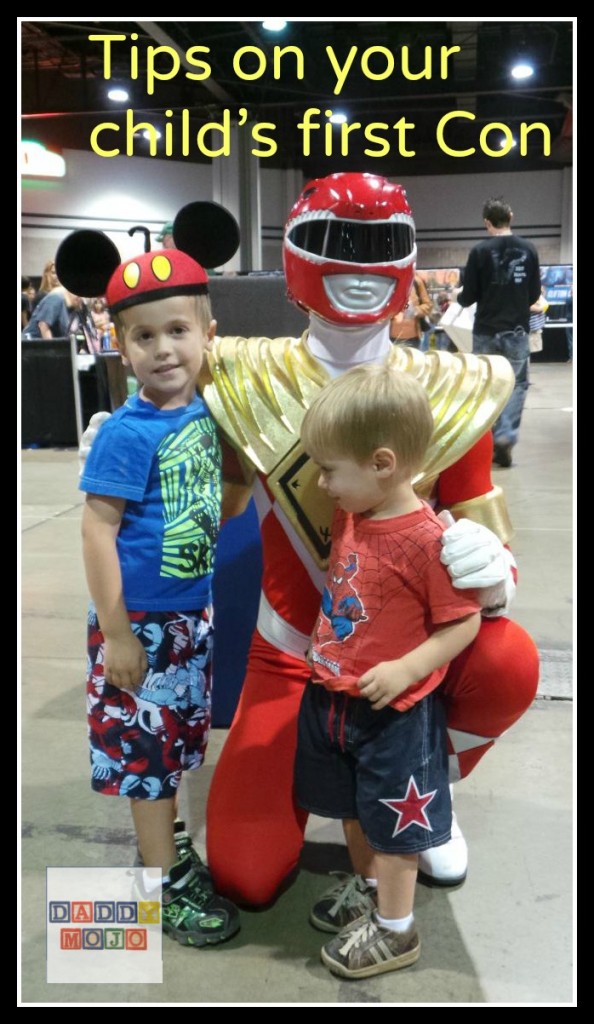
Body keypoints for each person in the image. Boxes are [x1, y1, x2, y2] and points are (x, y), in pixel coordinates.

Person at [79, 176, 540, 907]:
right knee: (244, 871)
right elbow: (199, 451)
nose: (358, 265)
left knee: (507, 658)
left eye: (381, 244)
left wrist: (493, 567)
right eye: (336, 241)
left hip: (401, 658)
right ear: (295, 254)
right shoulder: (237, 376)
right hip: (291, 652)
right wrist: (128, 453)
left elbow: (481, 513)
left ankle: (425, 795)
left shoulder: (456, 385)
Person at [57, 210, 242, 948]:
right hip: (142, 628)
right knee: (146, 762)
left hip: (190, 620)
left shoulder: (204, 415)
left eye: (178, 331)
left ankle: (170, 851)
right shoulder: (130, 434)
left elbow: (224, 506)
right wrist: (118, 632)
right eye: (144, 336)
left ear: (208, 334)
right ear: (119, 344)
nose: (164, 349)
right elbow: (96, 529)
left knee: (175, 751)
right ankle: (159, 886)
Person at [296, 363, 481, 978]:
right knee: (354, 808)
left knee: (396, 826)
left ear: (381, 463)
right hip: (336, 700)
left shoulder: (428, 540)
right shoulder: (355, 510)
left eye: (329, 469)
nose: (322, 483)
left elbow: (464, 623)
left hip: (394, 715)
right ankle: (372, 894)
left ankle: (397, 930)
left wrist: (406, 668)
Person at [457, 197, 542, 469]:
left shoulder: (479, 252)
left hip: (485, 331)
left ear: (486, 223)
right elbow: (533, 294)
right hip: (516, 330)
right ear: (511, 217)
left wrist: (459, 297)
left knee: (487, 386)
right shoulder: (529, 250)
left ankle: (488, 443)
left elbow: (467, 298)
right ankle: (506, 435)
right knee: (516, 384)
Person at [389, 273, 433, 348]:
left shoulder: (416, 281)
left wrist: (415, 311)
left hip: (413, 339)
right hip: (391, 339)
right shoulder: (388, 282)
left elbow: (428, 305)